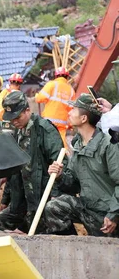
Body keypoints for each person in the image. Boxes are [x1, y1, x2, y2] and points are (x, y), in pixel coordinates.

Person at [44, 94, 119, 237]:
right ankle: (71, 247)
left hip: (108, 216)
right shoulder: (78, 146)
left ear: (84, 118)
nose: (69, 112)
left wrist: (113, 215)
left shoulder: (108, 145)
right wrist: (60, 176)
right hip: (88, 209)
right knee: (54, 207)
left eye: (74, 109)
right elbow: (74, 185)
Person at [0, 91, 64, 233]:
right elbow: (13, 169)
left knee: (45, 235)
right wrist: (6, 199)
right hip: (21, 200)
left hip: (43, 200)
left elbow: (59, 165)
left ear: (27, 110)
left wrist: (55, 195)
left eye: (17, 117)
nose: (14, 121)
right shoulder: (16, 132)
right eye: (11, 119)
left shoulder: (45, 130)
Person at [35, 67, 75, 149]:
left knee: (46, 143)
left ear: (56, 76)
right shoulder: (71, 91)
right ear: (67, 77)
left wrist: (36, 96)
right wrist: (70, 124)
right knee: (62, 146)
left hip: (48, 121)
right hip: (62, 123)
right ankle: (63, 160)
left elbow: (39, 99)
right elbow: (72, 109)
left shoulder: (51, 84)